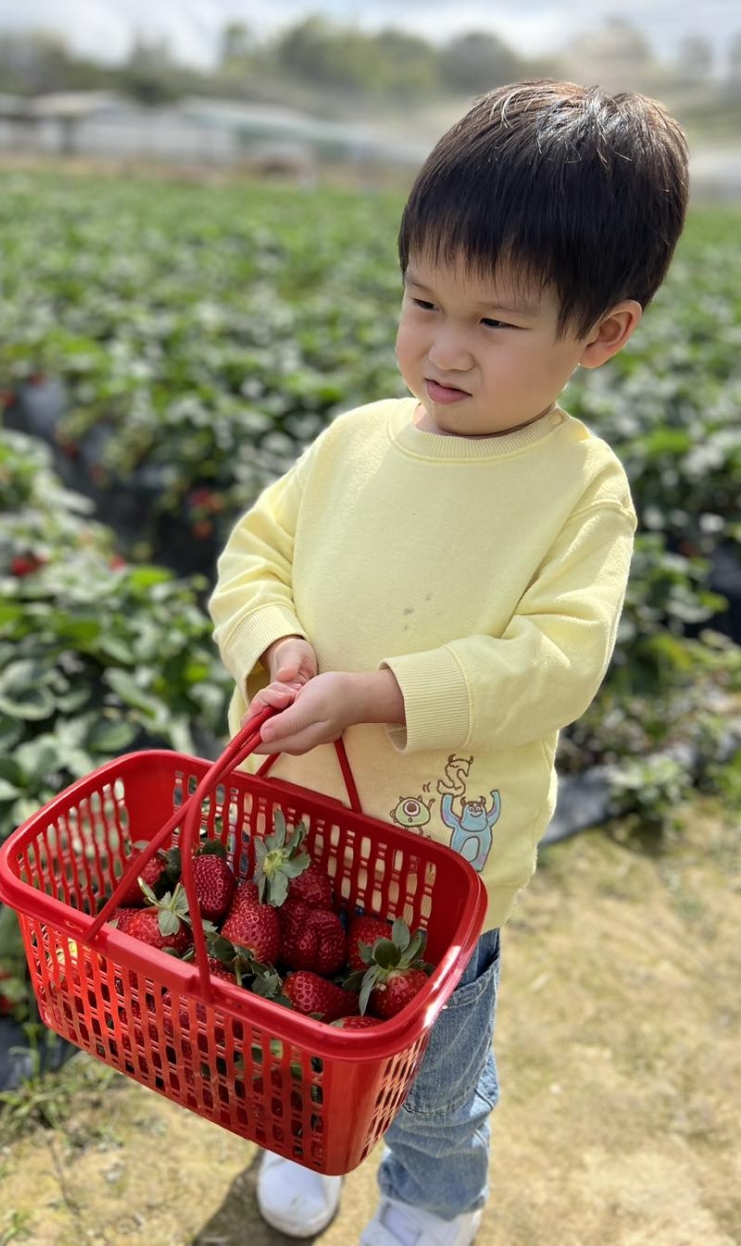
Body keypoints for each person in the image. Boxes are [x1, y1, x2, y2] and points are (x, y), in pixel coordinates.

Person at [208, 79, 689, 1245]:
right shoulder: (354, 442)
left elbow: (556, 662)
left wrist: (378, 695)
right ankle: (299, 1135)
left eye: (494, 321)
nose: (443, 346)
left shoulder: (579, 489)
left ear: (601, 334)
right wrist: (276, 638)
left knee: (429, 1060)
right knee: (294, 1016)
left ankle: (431, 1201)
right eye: (423, 301)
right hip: (294, 831)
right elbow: (251, 555)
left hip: (441, 858)